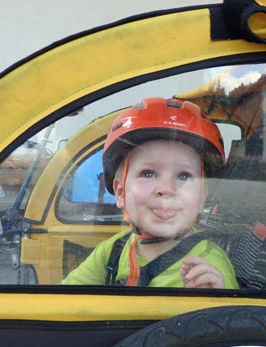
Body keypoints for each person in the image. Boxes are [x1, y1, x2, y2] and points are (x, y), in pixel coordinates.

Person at [62, 97, 239, 289]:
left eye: (183, 176)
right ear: (120, 192)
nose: (166, 189)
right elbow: (61, 303)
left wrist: (213, 302)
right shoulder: (114, 250)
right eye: (148, 173)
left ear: (201, 198)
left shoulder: (210, 270)